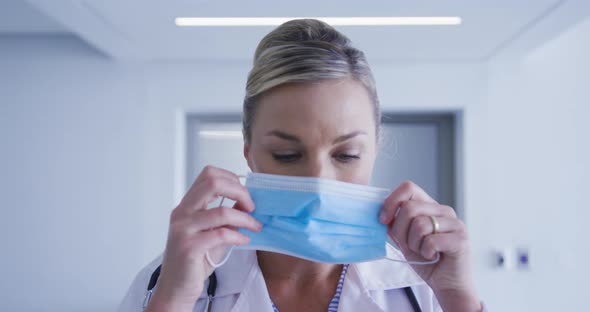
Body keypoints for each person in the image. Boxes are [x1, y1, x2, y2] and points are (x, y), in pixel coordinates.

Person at [118, 19, 484, 311]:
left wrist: (457, 298)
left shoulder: (423, 287)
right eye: (287, 155)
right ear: (249, 153)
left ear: (375, 149)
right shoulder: (168, 282)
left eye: (346, 155)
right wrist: (173, 302)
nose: (319, 181)